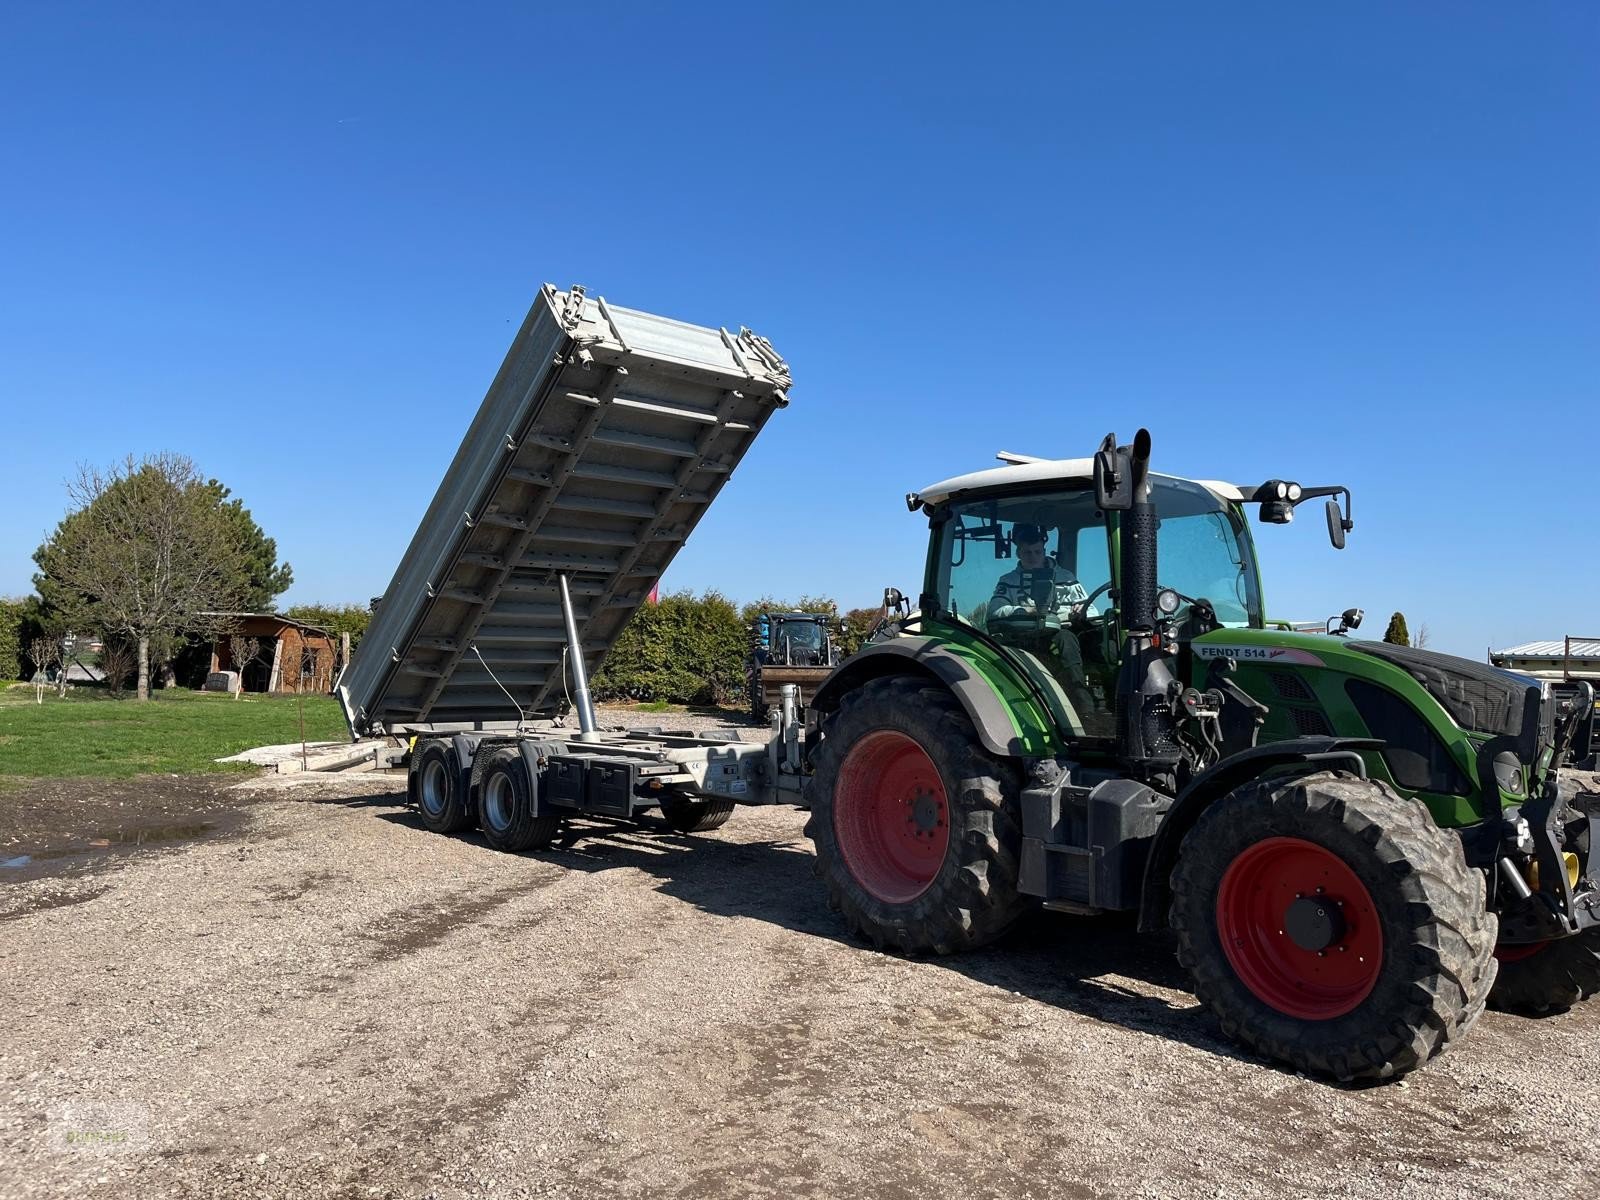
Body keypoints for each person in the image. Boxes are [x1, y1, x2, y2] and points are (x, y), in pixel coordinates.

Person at [986, 523, 1098, 719]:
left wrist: (1082, 611)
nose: (1033, 557)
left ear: (1044, 551)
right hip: (1027, 638)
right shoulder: (1008, 581)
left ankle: (1104, 703)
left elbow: (1093, 611)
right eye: (1027, 552)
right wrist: (1026, 610)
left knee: (1103, 641)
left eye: (1037, 551)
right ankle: (1083, 706)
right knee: (1066, 639)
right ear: (1018, 553)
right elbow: (995, 611)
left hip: (1065, 631)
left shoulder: (1067, 578)